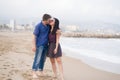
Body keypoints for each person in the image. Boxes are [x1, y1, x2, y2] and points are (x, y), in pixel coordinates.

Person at [32, 14, 51, 78]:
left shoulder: (48, 26)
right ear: (45, 19)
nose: (50, 21)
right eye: (49, 20)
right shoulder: (38, 26)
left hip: (46, 45)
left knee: (43, 59)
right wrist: (34, 46)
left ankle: (40, 71)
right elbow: (34, 36)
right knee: (37, 59)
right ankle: (34, 72)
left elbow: (55, 26)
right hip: (39, 45)